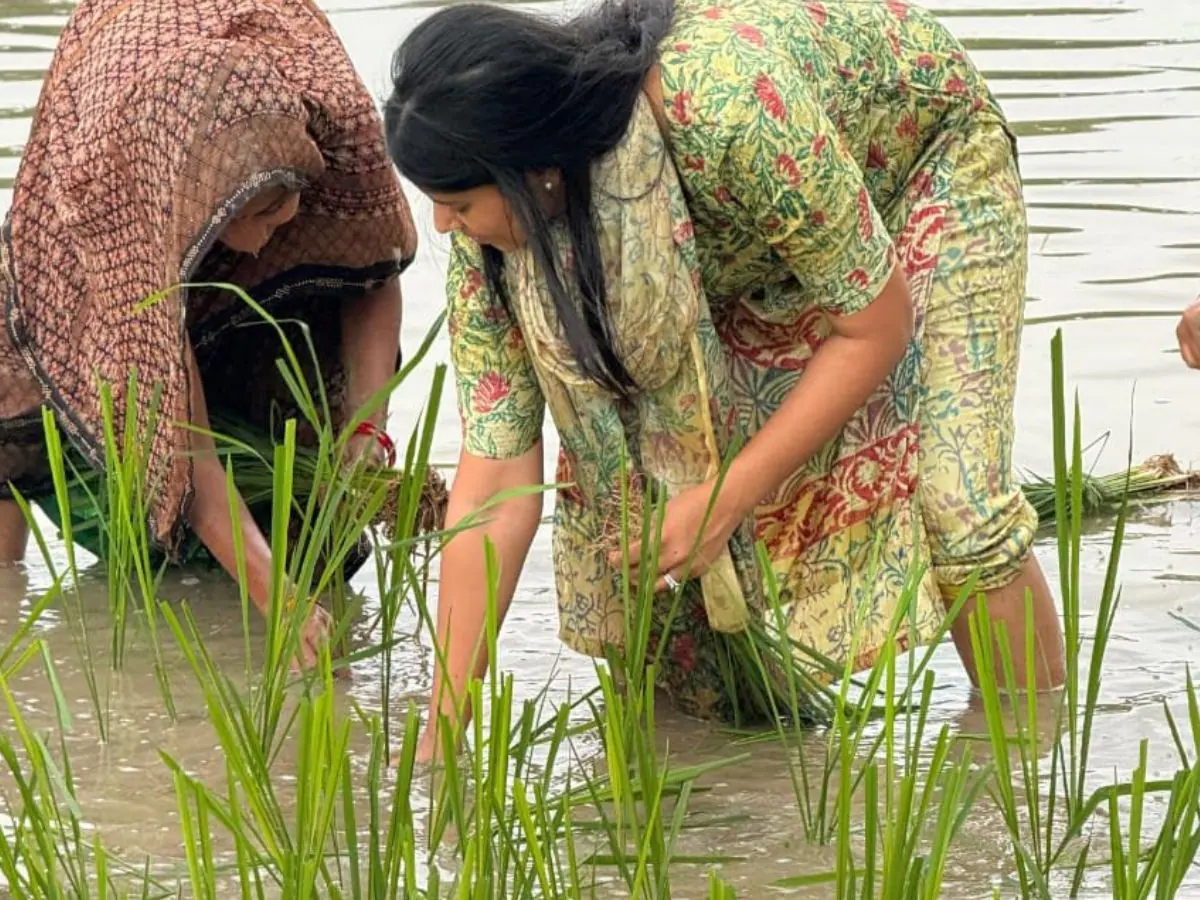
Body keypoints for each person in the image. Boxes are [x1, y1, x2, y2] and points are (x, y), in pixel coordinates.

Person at [385, 0, 1067, 760]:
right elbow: (493, 484)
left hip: (924, 165)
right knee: (649, 510)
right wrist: (443, 732)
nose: (443, 227)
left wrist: (726, 495)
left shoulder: (730, 108)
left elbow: (874, 325)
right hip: (749, 234)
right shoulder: (495, 250)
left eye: (457, 204)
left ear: (535, 169)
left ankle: (1031, 775)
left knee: (958, 506)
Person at [0, 0, 432, 667]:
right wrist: (275, 599)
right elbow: (182, 445)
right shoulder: (118, 203)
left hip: (250, 105)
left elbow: (370, 273)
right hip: (122, 205)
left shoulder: (337, 128)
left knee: (305, 486)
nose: (273, 231)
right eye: (260, 214)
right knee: (35, 422)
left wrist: (366, 431)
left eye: (286, 202)